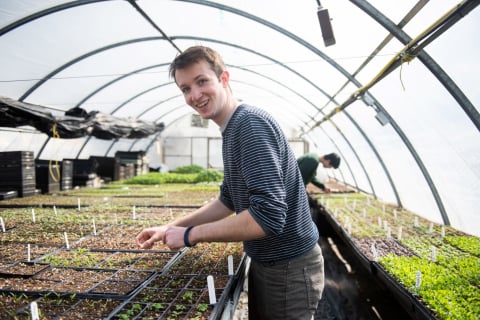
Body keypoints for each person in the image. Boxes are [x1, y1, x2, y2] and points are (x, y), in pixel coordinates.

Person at [135, 46, 324, 319]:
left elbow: (268, 218)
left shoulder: (250, 125)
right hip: (270, 262)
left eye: (202, 81)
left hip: (288, 268)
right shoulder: (233, 127)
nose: (194, 95)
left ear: (224, 79)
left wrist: (190, 236)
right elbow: (228, 200)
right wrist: (171, 227)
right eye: (185, 88)